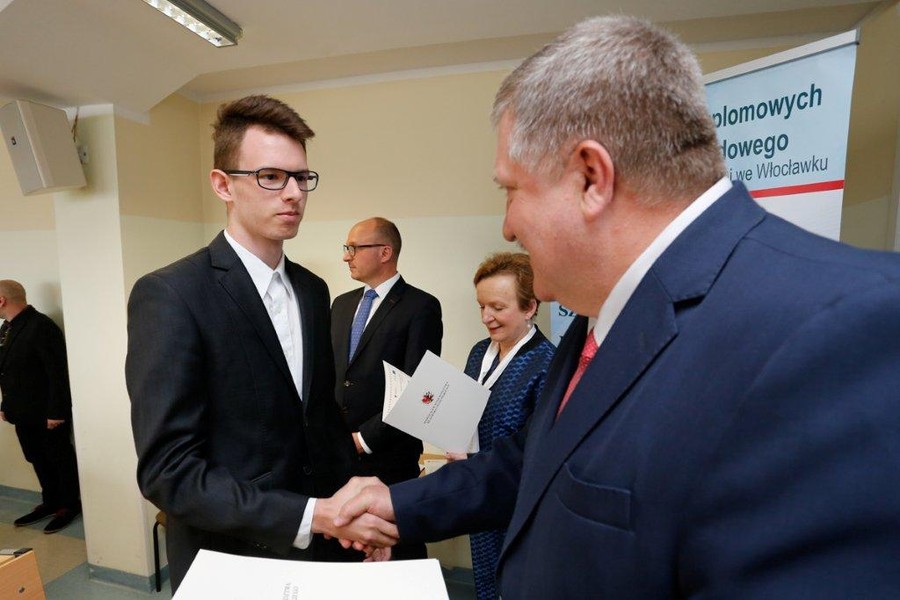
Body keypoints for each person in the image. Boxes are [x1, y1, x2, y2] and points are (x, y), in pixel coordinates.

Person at [330, 15, 900, 598]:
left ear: (591, 178)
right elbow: (535, 462)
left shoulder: (852, 326)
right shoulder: (597, 315)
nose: (507, 226)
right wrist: (399, 502)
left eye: (511, 190)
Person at [126, 95, 386, 592]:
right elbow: (170, 472)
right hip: (232, 557)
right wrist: (313, 515)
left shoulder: (313, 290)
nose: (293, 194)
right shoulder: (172, 294)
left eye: (301, 178)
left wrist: (355, 511)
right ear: (223, 184)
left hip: (325, 552)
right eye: (270, 176)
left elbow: (320, 421)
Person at [331, 216, 442, 560]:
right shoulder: (341, 305)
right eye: (346, 248)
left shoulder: (420, 307)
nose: (346, 256)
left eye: (354, 248)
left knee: (397, 553)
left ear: (384, 252)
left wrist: (364, 439)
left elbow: (420, 391)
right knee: (347, 555)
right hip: (338, 456)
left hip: (389, 458)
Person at [447, 252, 554, 599]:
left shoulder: (546, 364)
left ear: (529, 307)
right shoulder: (480, 352)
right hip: (477, 492)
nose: (486, 317)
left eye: (497, 307)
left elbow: (538, 447)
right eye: (481, 306)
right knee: (485, 583)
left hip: (517, 503)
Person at [0, 280, 81, 534]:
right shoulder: (6, 328)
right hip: (22, 411)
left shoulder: (41, 326)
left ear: (2, 300)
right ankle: (51, 501)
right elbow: (7, 372)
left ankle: (69, 505)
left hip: (46, 413)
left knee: (58, 458)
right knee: (36, 457)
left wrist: (57, 412)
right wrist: (5, 405)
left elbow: (58, 373)